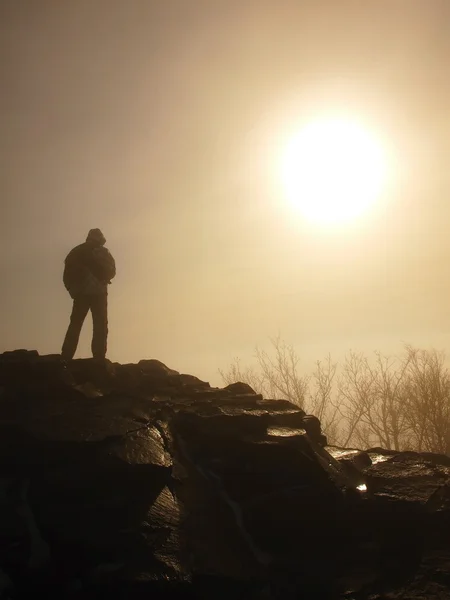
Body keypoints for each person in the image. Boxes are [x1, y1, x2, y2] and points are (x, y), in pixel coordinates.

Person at [61, 228, 116, 361]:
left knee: (76, 324)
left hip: (82, 294)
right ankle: (98, 357)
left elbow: (66, 274)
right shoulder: (103, 252)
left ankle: (66, 356)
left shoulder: (77, 251)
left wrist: (72, 289)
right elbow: (112, 271)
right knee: (99, 326)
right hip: (97, 294)